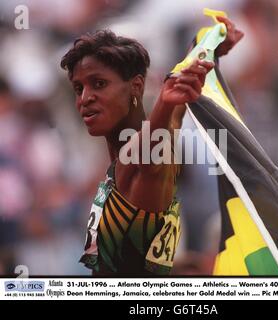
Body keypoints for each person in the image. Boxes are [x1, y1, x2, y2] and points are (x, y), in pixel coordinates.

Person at [60, 16, 243, 276]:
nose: (85, 98)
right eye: (78, 88)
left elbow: (148, 149)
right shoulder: (149, 141)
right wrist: (210, 47)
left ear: (135, 87)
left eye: (99, 84)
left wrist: (165, 102)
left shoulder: (145, 154)